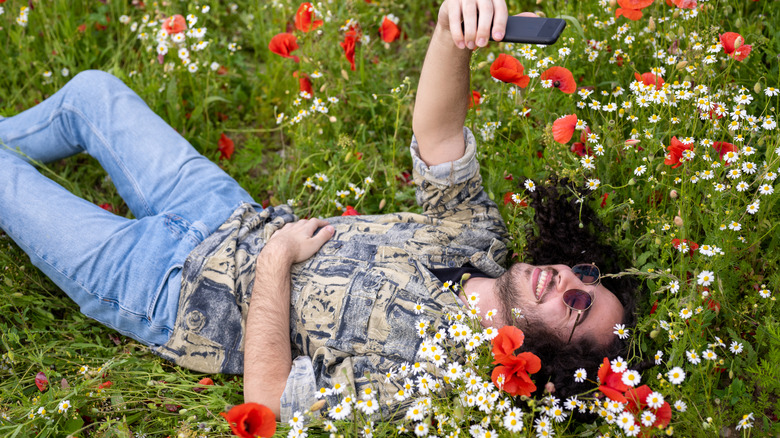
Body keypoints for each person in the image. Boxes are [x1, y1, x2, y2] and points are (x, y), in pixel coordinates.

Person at [0, 0, 634, 423]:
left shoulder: (430, 383)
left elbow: (269, 404)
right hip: (223, 211)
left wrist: (277, 261)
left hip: (167, 291)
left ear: (553, 361)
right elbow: (440, 139)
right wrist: (451, 31)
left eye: (577, 307)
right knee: (92, 94)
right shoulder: (477, 241)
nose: (569, 282)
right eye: (587, 275)